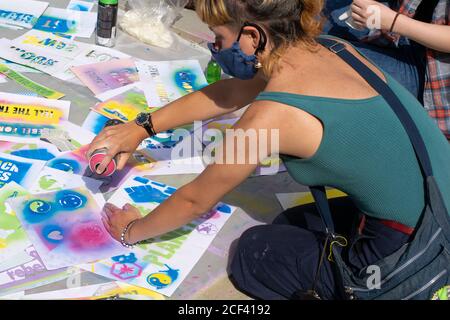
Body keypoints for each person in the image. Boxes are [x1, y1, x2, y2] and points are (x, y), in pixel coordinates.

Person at [87, 0, 450, 299]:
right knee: (290, 226)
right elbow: (229, 94)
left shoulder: (272, 117)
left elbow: (195, 200)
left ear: (251, 36)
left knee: (254, 253)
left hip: (425, 247)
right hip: (437, 201)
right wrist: (140, 128)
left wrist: (130, 231)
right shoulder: (329, 47)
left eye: (217, 37)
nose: (214, 48)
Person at [323, 0, 450, 140]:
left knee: (324, 57)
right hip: (397, 23)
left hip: (430, 75)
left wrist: (392, 21)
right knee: (313, 15)